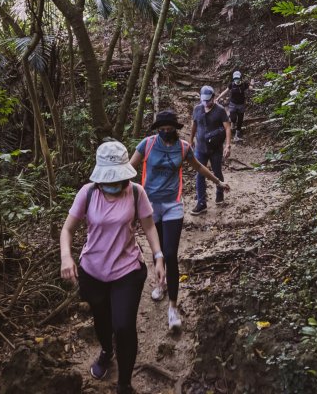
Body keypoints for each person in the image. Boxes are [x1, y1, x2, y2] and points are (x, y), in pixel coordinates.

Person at [60, 140, 165, 394]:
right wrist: (66, 256)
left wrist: (158, 256)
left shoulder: (136, 192)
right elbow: (68, 229)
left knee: (124, 325)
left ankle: (124, 383)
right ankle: (107, 351)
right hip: (92, 271)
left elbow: (149, 226)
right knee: (102, 318)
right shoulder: (87, 193)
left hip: (127, 269)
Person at [130, 109, 229, 330]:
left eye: (169, 129)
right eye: (162, 129)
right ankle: (160, 283)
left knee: (171, 253)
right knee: (159, 252)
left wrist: (218, 182)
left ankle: (173, 307)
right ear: (157, 130)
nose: (166, 132)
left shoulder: (183, 147)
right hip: (150, 206)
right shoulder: (146, 145)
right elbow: (129, 169)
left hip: (173, 205)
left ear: (175, 128)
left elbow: (199, 167)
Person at [190, 85, 232, 215]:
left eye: (208, 100)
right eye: (203, 100)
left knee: (217, 171)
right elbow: (194, 125)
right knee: (199, 174)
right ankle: (201, 203)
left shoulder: (220, 111)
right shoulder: (197, 109)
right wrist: (190, 140)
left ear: (213, 98)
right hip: (200, 148)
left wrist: (228, 145)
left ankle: (219, 193)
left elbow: (227, 128)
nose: (206, 103)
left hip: (215, 149)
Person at [217, 70, 253, 142]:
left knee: (240, 120)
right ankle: (232, 124)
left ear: (240, 77)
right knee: (233, 118)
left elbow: (250, 88)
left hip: (241, 105)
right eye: (235, 78)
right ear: (233, 78)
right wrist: (218, 97)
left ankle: (237, 134)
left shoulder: (244, 84)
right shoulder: (232, 84)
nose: (236, 79)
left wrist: (252, 84)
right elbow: (225, 91)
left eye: (238, 78)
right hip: (233, 104)